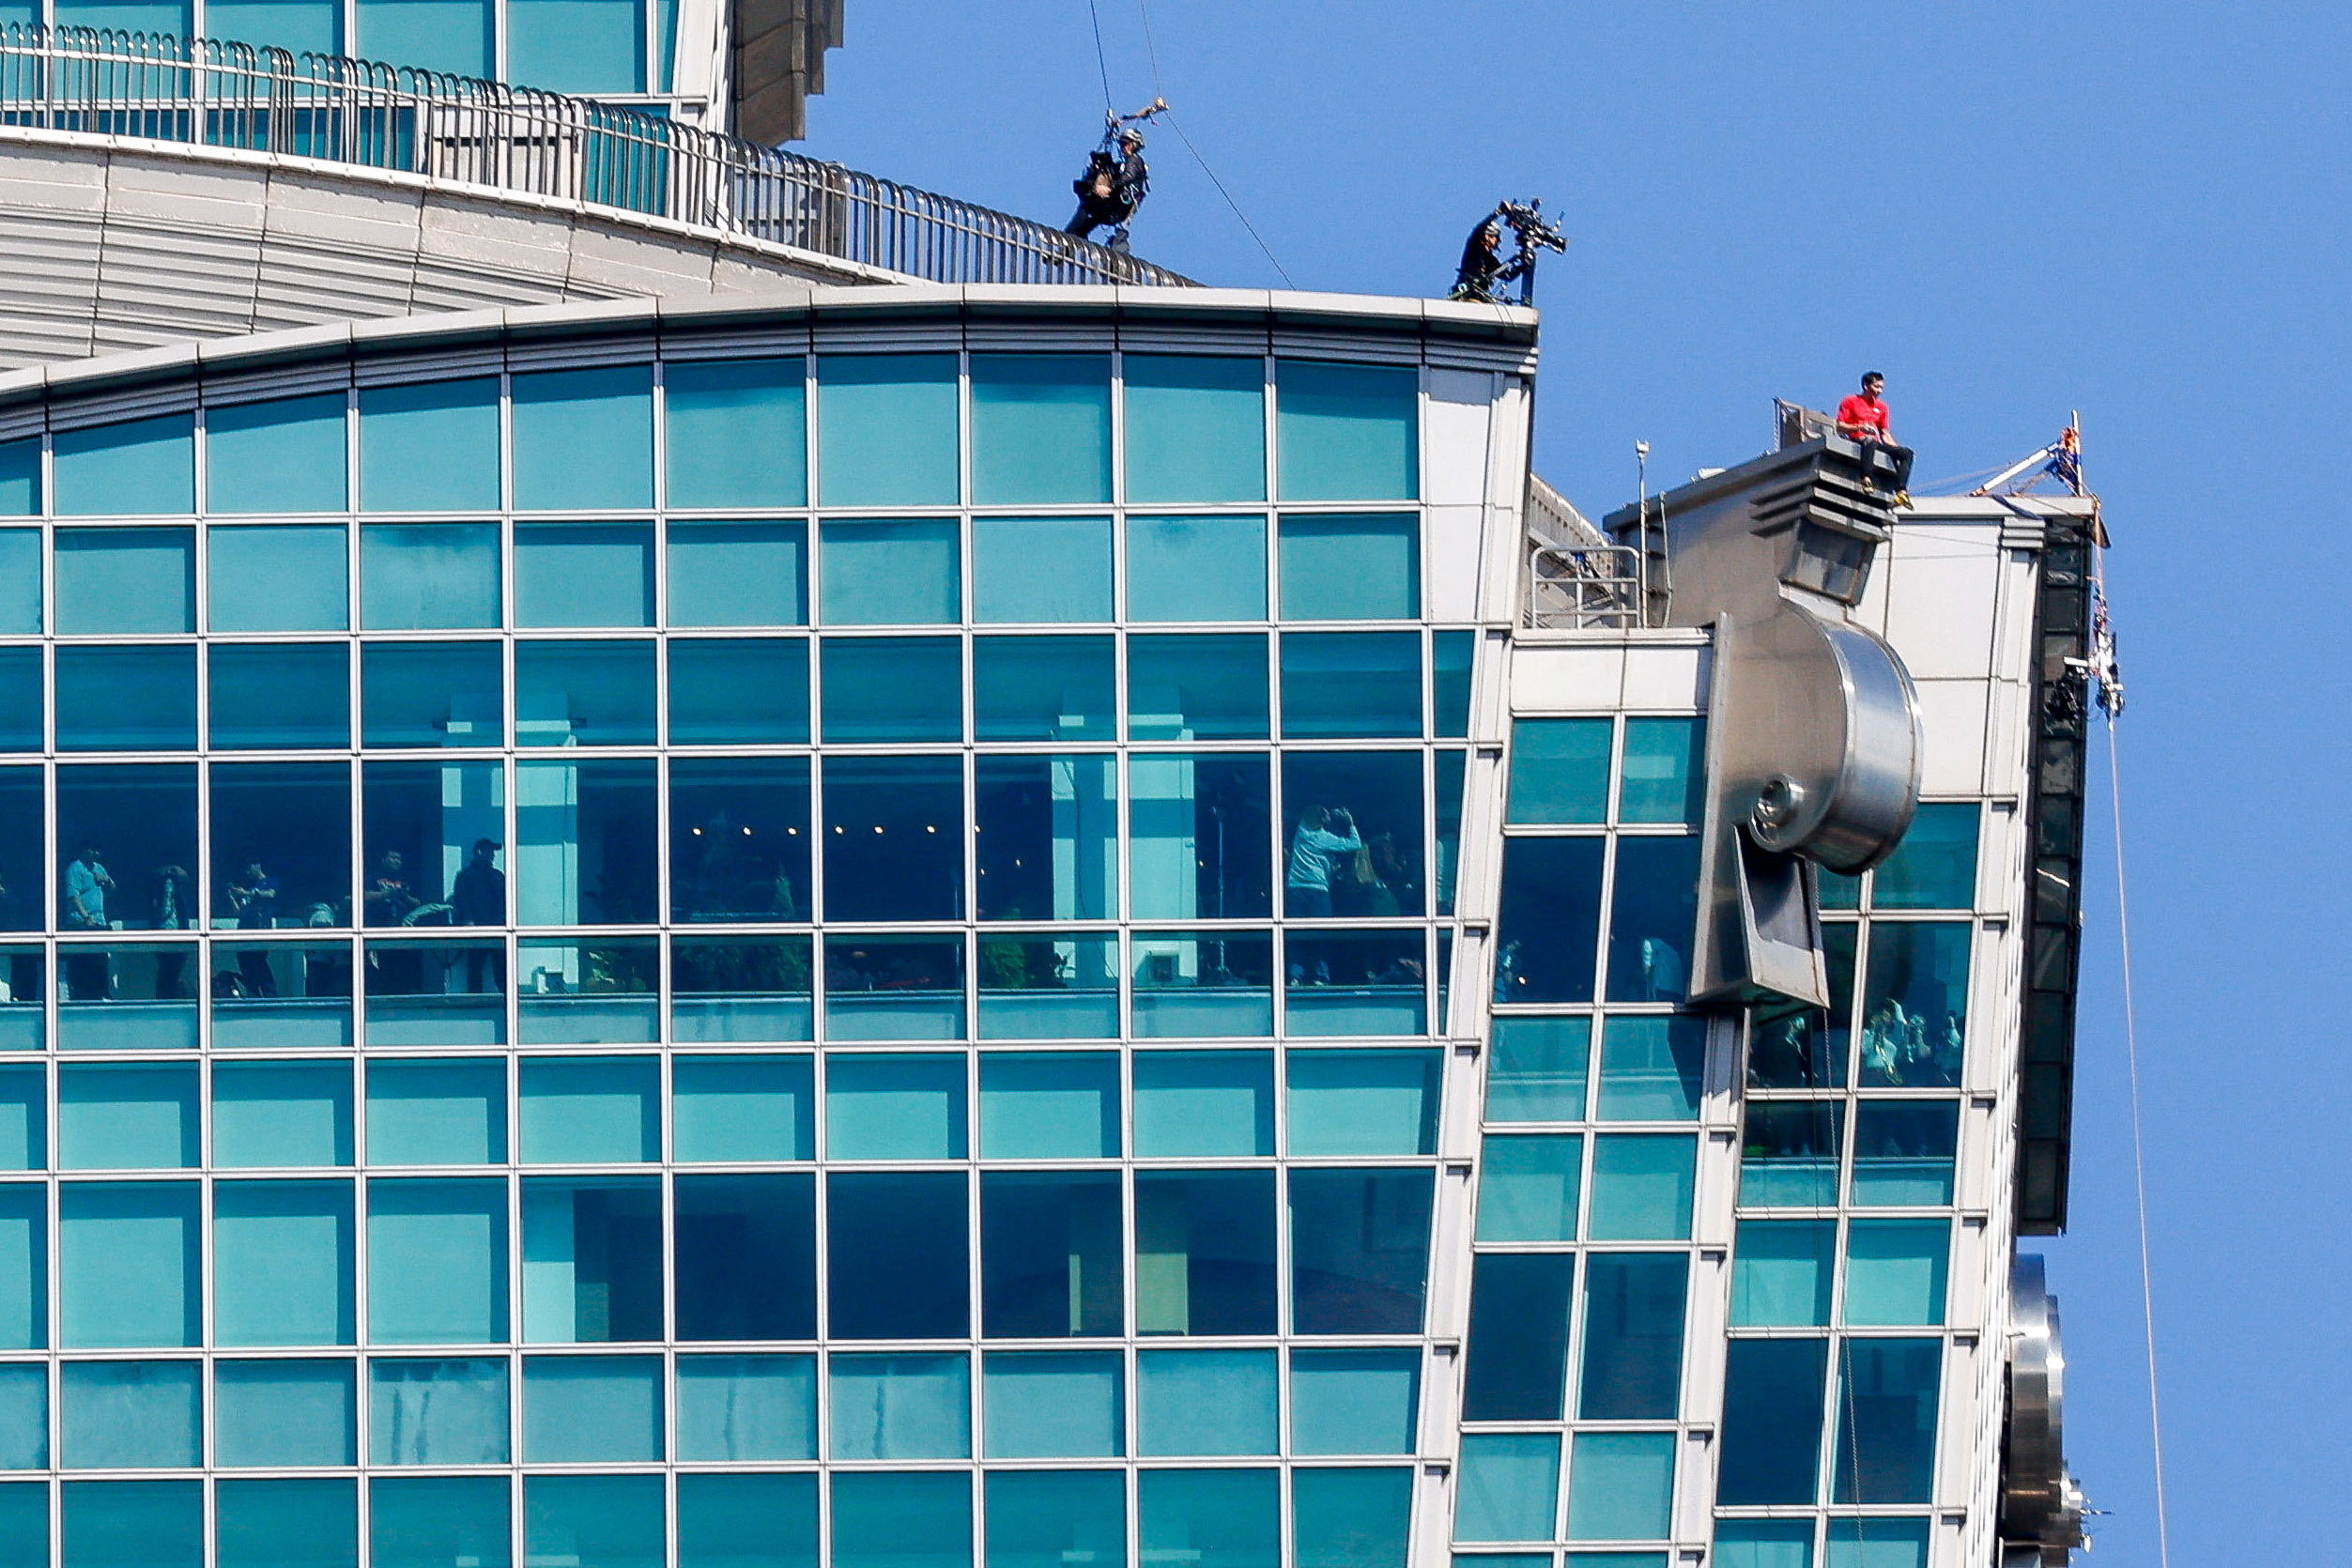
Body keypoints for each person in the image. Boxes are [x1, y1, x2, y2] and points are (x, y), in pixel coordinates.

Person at [1835, 371, 1915, 504]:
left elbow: (1884, 432)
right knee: (1869, 440)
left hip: (1874, 442)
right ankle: (1866, 477)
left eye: (1881, 388)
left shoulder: (1881, 407)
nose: (1879, 391)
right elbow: (1840, 426)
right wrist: (1860, 428)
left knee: (1907, 453)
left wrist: (1895, 449)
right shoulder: (1850, 401)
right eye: (1876, 387)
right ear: (1867, 386)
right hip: (1857, 439)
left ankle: (1901, 490)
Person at [1065, 126, 1148, 251]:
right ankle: (1074, 241)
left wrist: (1109, 188)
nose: (1122, 147)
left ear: (1133, 145)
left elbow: (1128, 176)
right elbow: (1113, 172)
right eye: (1121, 144)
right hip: (1114, 208)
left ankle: (1069, 242)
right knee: (1088, 217)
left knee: (1087, 209)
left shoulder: (1134, 160)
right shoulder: (1122, 165)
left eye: (1125, 144)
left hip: (1118, 206)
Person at [451, 838, 507, 994]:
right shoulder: (465, 876)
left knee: (502, 969)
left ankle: (507, 1001)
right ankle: (475, 1002)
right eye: (490, 851)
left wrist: (506, 923)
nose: (493, 855)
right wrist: (468, 921)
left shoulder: (497, 876)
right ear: (480, 852)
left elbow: (506, 900)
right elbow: (461, 900)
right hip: (477, 929)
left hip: (499, 929)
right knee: (475, 968)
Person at [61, 842, 113, 1001]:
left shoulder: (99, 868)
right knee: (82, 962)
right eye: (93, 849)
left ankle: (100, 993)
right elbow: (73, 896)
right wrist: (86, 917)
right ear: (84, 850)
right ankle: (82, 996)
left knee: (100, 960)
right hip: (81, 923)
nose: (96, 853)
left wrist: (106, 879)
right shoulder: (75, 868)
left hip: (100, 922)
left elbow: (112, 887)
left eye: (98, 850)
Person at [226, 859, 280, 998]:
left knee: (259, 964)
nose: (247, 872)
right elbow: (239, 913)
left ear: (258, 866)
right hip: (244, 933)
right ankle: (253, 997)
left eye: (249, 868)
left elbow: (271, 894)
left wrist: (246, 893)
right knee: (246, 966)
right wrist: (232, 897)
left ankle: (271, 997)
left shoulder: (269, 881)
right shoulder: (249, 888)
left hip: (259, 930)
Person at [150, 862, 194, 998]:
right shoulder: (158, 890)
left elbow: (184, 876)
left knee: (175, 969)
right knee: (166, 969)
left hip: (178, 934)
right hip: (163, 933)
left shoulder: (180, 891)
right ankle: (165, 996)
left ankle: (171, 995)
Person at [1450, 215, 1506, 302]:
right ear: (1488, 236)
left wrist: (1522, 261)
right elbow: (1478, 231)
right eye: (1496, 237)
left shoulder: (1490, 260)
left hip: (1480, 297)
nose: (1499, 241)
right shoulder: (1474, 248)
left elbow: (1507, 275)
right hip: (1466, 294)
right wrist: (1497, 213)